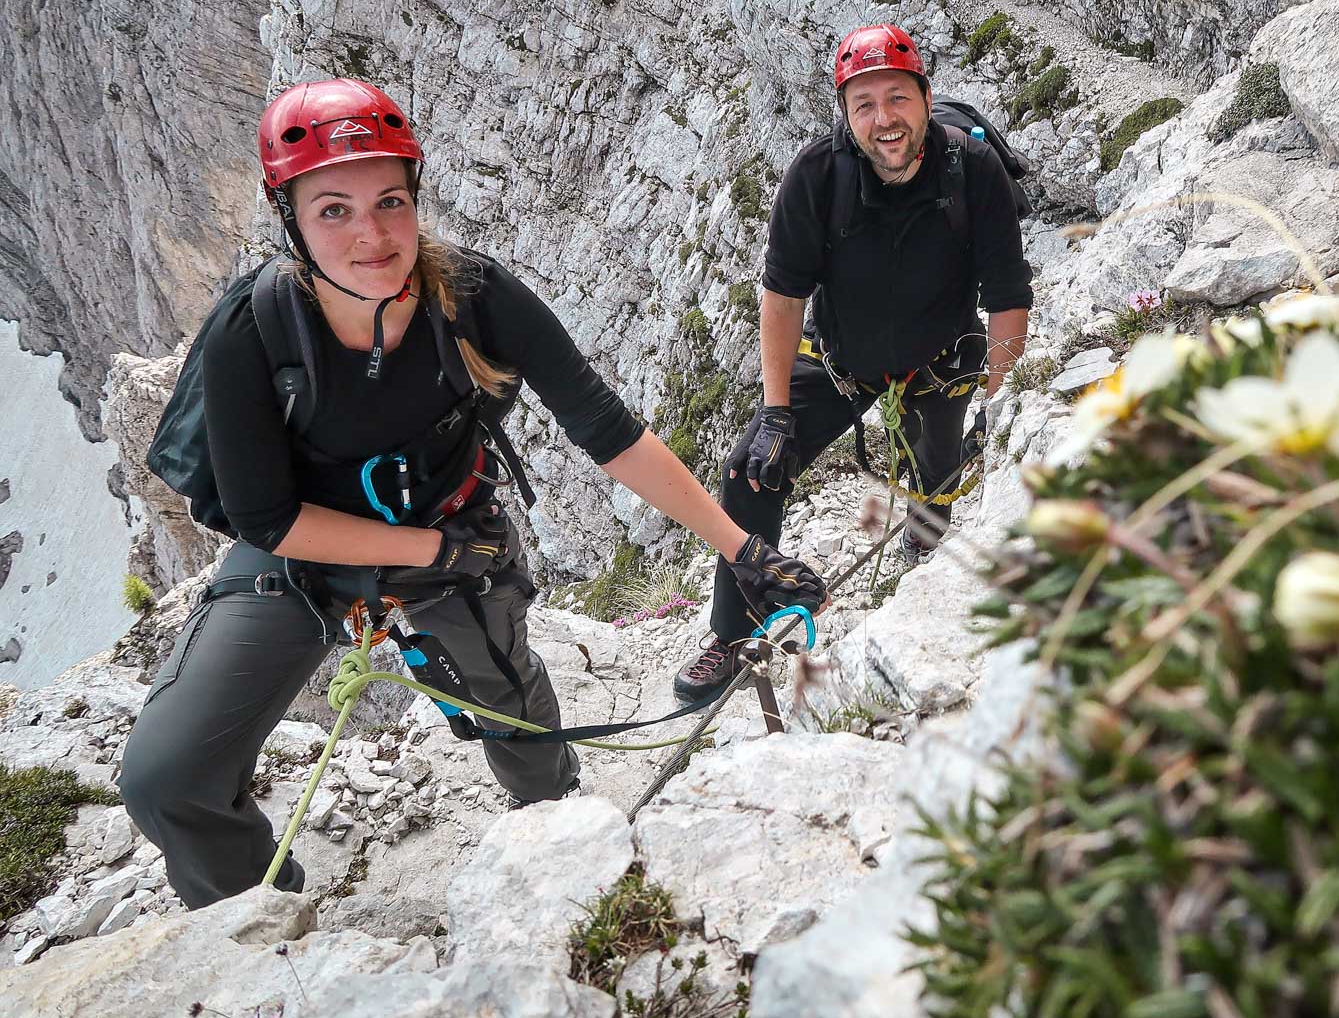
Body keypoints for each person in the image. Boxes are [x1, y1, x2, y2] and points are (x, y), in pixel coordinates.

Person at [118, 77, 825, 910]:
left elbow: (608, 431)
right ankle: (257, 922)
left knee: (517, 718)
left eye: (389, 201)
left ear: (416, 196)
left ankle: (570, 849)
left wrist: (742, 549)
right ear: (292, 222)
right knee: (167, 779)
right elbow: (267, 518)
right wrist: (431, 552)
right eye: (333, 209)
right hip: (316, 552)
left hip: (456, 537)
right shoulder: (256, 331)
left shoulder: (474, 298)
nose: (373, 235)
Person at [673, 24, 1032, 705]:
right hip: (841, 358)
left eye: (897, 98)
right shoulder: (818, 175)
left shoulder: (971, 170)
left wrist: (999, 402)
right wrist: (776, 412)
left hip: (943, 355)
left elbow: (1008, 295)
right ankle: (732, 633)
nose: (884, 120)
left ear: (926, 98)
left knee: (940, 472)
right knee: (753, 468)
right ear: (845, 115)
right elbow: (783, 296)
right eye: (864, 105)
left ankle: (926, 545)